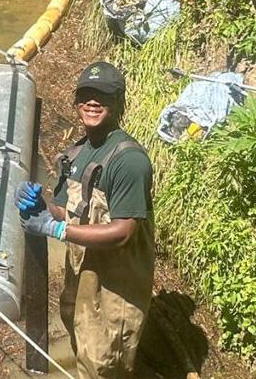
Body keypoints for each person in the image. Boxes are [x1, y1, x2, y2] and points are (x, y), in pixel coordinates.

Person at [16, 61, 155, 378]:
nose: (93, 102)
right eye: (86, 95)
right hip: (82, 282)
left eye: (103, 96)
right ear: (76, 102)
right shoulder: (76, 154)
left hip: (115, 290)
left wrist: (57, 229)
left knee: (102, 365)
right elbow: (68, 211)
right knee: (84, 351)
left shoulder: (129, 161)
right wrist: (41, 206)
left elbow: (122, 232)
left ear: (119, 103)